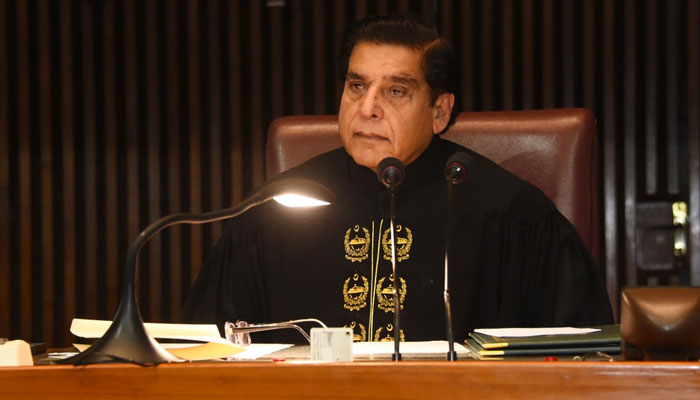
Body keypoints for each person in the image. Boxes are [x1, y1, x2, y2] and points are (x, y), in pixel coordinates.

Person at [183, 14, 613, 343]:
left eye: (395, 91)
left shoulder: (510, 213)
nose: (367, 108)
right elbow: (209, 345)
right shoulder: (273, 210)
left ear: (440, 112)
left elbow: (579, 353)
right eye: (356, 86)